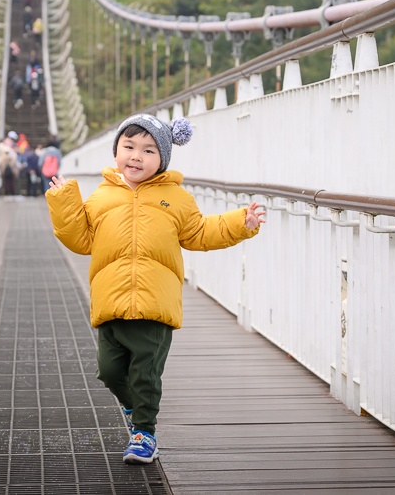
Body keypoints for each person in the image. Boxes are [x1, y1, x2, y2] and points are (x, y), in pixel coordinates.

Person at [45, 114, 266, 464]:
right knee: (109, 370)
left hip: (155, 303)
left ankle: (144, 433)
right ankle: (134, 408)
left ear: (162, 158)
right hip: (111, 300)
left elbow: (200, 233)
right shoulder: (102, 196)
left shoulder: (175, 198)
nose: (136, 156)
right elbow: (81, 240)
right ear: (116, 151)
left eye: (148, 150)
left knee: (145, 372)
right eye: (129, 147)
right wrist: (64, 203)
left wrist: (242, 223)